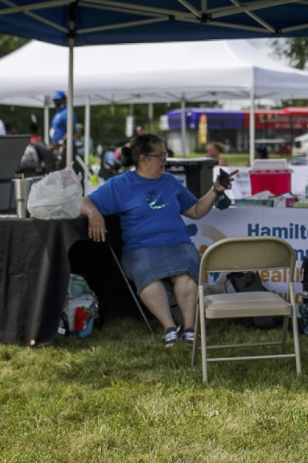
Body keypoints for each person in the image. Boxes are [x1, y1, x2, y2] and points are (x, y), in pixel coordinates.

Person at [80, 134, 228, 346]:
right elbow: (84, 201)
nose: (165, 161)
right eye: (161, 156)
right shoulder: (121, 184)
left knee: (186, 270)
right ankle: (169, 328)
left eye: (165, 155)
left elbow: (195, 210)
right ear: (143, 159)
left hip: (177, 243)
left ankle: (189, 329)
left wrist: (215, 190)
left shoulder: (170, 181)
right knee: (148, 276)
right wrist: (93, 214)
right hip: (141, 249)